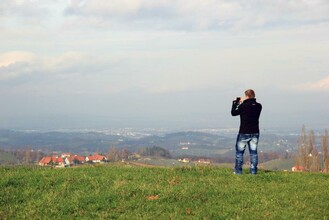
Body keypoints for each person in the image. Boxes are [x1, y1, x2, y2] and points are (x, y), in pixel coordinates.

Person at [231, 89, 262, 174]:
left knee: (239, 153)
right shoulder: (259, 106)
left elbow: (233, 113)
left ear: (246, 96)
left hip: (244, 132)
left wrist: (235, 102)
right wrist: (244, 102)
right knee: (253, 153)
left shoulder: (244, 106)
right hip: (255, 132)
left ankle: (238, 171)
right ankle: (253, 171)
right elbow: (251, 106)